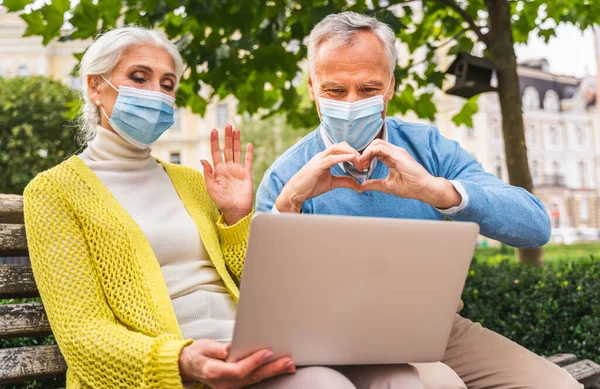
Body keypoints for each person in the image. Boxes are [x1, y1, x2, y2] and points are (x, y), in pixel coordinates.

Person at [23, 26, 431, 389]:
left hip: (256, 343)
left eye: (167, 84)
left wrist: (237, 216)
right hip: (186, 366)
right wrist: (181, 360)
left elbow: (259, 282)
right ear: (96, 86)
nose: (156, 94)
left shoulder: (191, 180)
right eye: (138, 77)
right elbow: (82, 333)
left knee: (398, 376)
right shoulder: (53, 192)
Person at [256, 11, 582, 389]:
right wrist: (288, 209)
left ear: (390, 86)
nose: (350, 103)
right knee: (438, 383)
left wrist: (437, 191)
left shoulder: (427, 147)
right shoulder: (287, 176)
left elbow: (535, 226)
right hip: (337, 340)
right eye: (334, 90)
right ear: (311, 87)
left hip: (437, 329)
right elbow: (269, 308)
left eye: (367, 89)